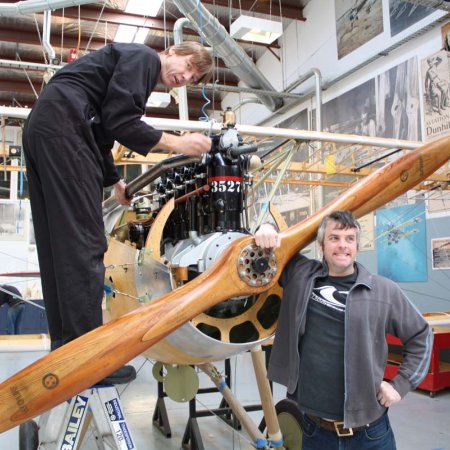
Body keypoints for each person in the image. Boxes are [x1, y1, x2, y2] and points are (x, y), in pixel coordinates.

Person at [22, 42, 214, 384]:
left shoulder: (116, 69)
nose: (184, 77)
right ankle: (88, 360)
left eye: (191, 78)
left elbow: (104, 131)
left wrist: (115, 183)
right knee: (86, 243)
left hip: (46, 127)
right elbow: (121, 120)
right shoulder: (143, 58)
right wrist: (178, 143)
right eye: (186, 66)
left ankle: (66, 350)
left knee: (60, 244)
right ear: (170, 51)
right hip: (66, 127)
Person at [254, 211, 432, 450]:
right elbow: (268, 250)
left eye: (349, 239)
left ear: (357, 246)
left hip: (370, 434)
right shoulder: (301, 275)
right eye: (334, 238)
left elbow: (421, 334)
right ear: (321, 245)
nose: (342, 245)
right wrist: (265, 227)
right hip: (315, 430)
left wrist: (401, 384)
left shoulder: (383, 291)